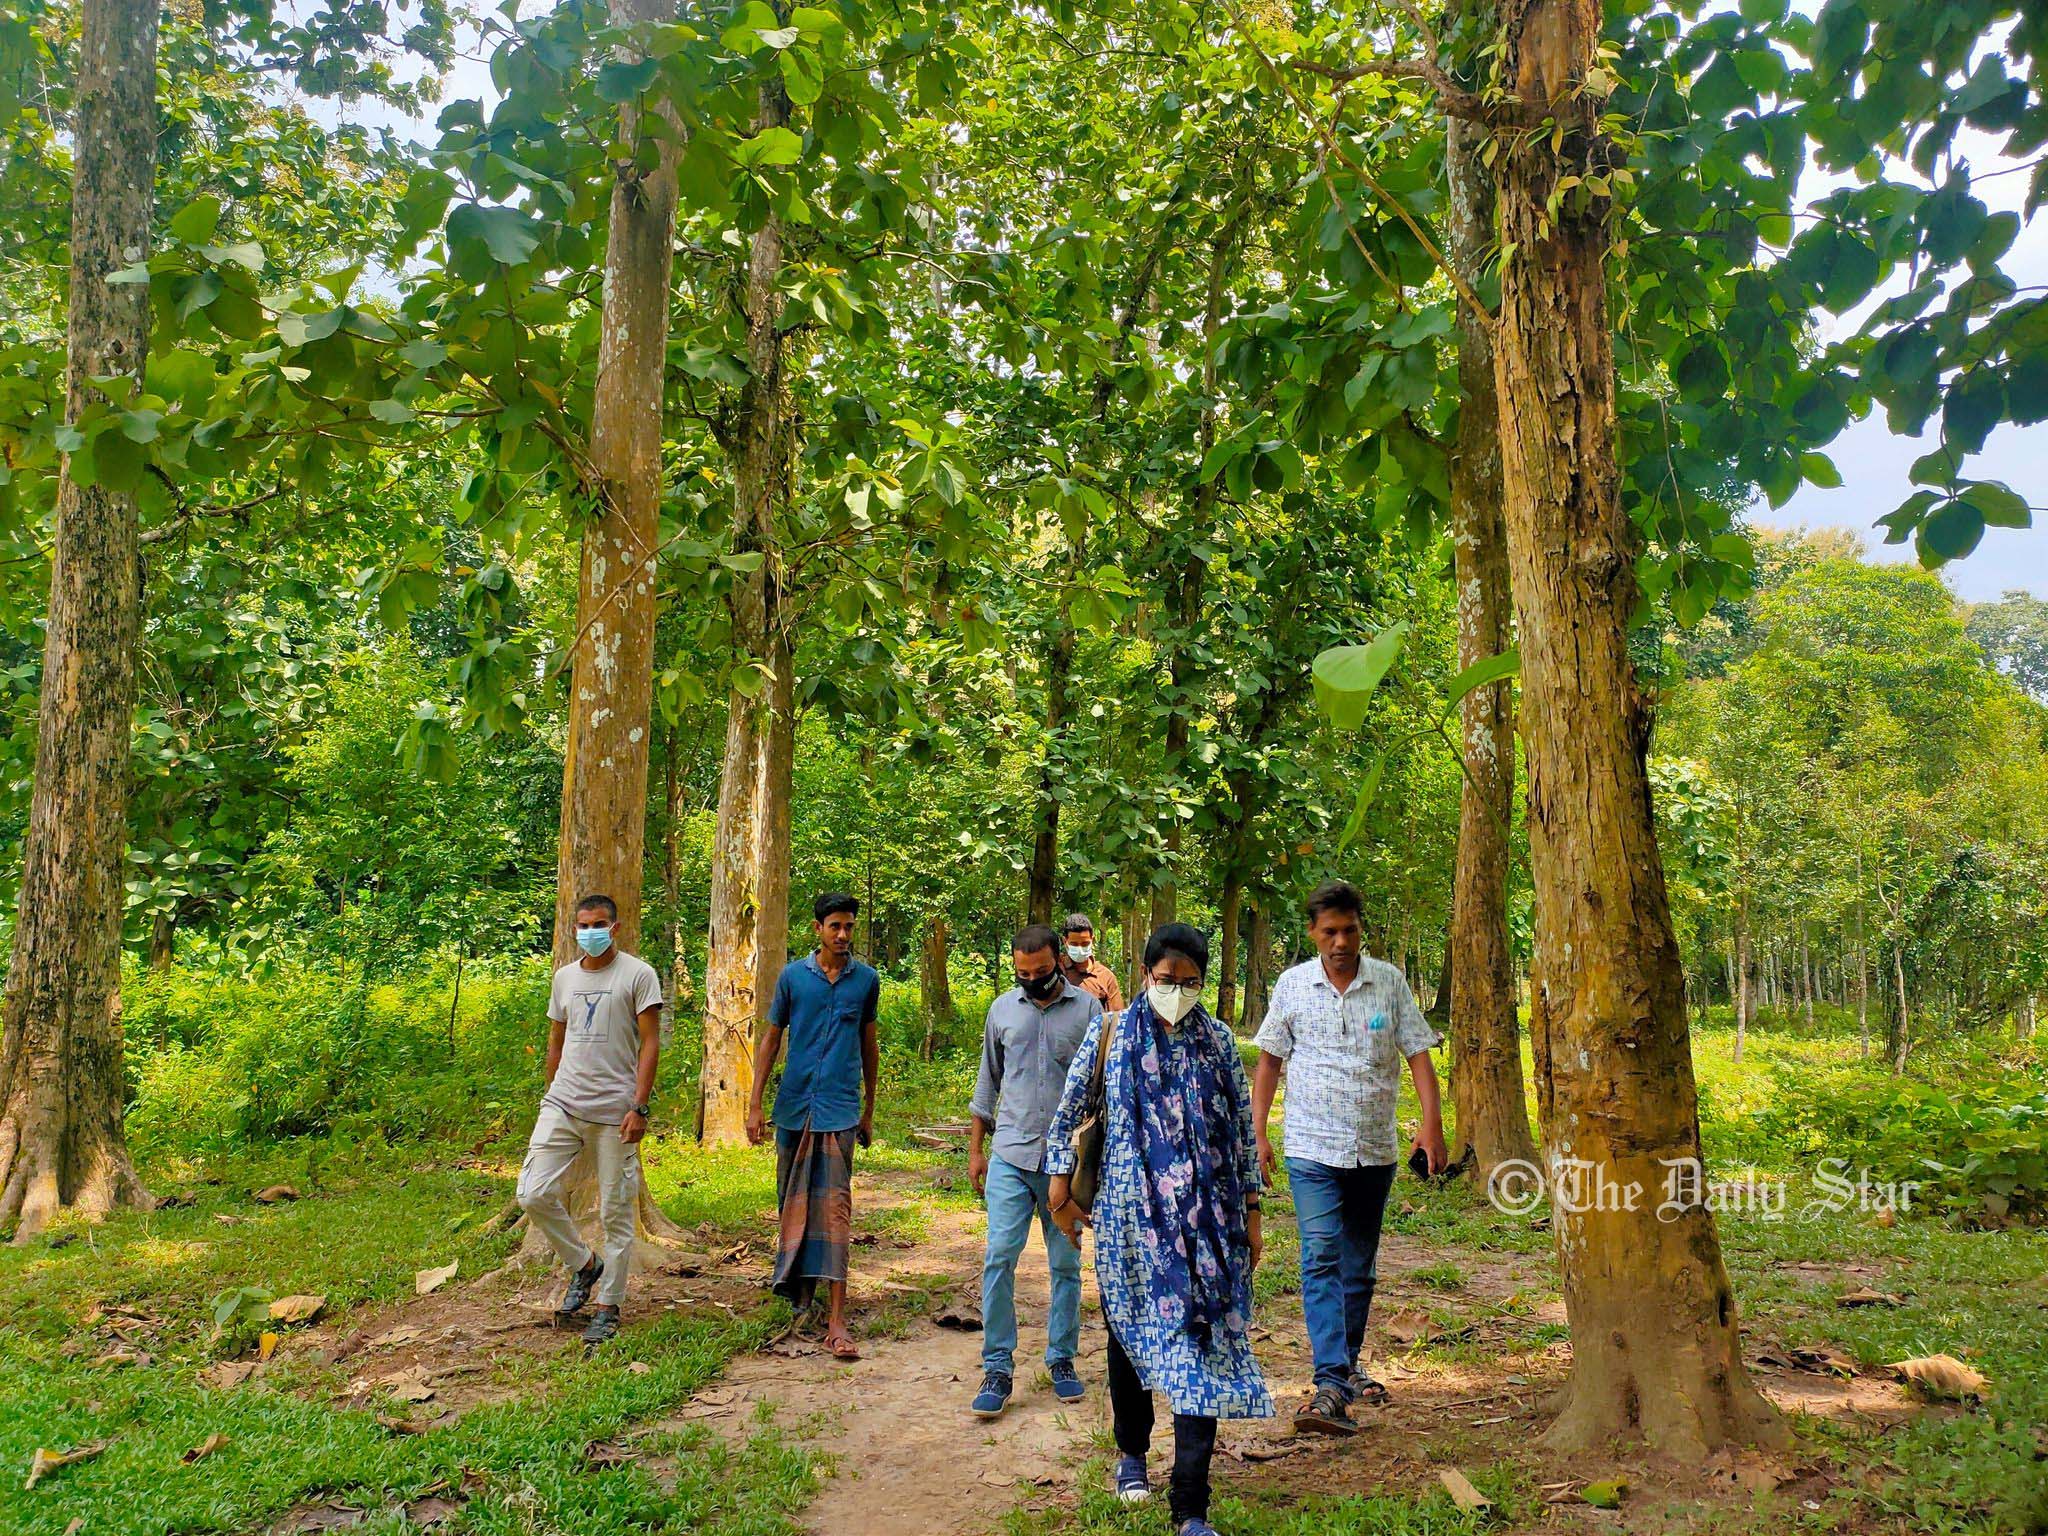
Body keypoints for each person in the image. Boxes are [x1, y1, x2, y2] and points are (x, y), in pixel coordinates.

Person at [1048, 923, 1270, 1536]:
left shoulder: (1219, 1041)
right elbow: (1069, 1111)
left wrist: (1251, 1213)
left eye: (1190, 982)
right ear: (1145, 976)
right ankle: (1132, 1456)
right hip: (1128, 1225)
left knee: (1203, 1348)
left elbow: (1241, 1132)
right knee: (1130, 1339)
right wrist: (1060, 1186)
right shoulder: (1111, 1032)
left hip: (1207, 1225)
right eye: (1166, 981)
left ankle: (1191, 1506)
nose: (1177, 991)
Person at [1251, 879, 1448, 1437]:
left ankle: (1348, 1367)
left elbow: (1417, 1056)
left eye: (1350, 930)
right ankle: (1330, 1381)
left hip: (1375, 1147)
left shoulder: (1388, 982)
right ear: (1313, 933)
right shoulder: (1293, 985)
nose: (1340, 941)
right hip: (1312, 1147)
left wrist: (1430, 1128)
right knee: (1320, 1257)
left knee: (1358, 1266)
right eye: (1330, 931)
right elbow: (1269, 1062)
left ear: (1363, 930)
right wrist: (1258, 1133)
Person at [516, 893, 664, 1347]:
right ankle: (584, 1264)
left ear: (615, 927)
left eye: (599, 924)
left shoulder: (638, 975)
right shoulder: (564, 978)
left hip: (615, 1114)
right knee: (532, 1192)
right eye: (583, 926)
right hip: (562, 1104)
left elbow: (650, 1043)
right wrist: (550, 1090)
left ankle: (608, 1305)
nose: (590, 932)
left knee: (617, 1211)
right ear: (574, 929)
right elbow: (555, 1040)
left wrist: (639, 1107)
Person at [966, 923, 1101, 1419]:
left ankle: (1062, 1359)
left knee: (1065, 1264)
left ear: (1058, 963)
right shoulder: (1002, 1011)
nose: (1032, 980)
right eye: (1023, 974)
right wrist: (976, 1151)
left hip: (1066, 1164)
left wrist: (1094, 1163)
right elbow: (988, 1083)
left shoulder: (1089, 1011)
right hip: (1011, 1154)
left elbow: (1100, 1090)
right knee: (999, 1256)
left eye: (1041, 972)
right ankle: (997, 1365)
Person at [748, 891, 881, 1361]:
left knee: (835, 1211)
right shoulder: (792, 978)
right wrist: (754, 1104)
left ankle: (838, 1318)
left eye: (849, 927)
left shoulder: (866, 981)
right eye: (835, 927)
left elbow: (868, 1045)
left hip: (840, 1110)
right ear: (818, 929)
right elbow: (770, 1039)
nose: (843, 935)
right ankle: (800, 1293)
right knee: (792, 1202)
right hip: (793, 1108)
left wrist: (869, 1109)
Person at [1058, 912, 1125, 1012]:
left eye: (1085, 943)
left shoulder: (1106, 977)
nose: (1080, 949)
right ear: (1065, 941)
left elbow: (1117, 1018)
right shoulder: (1056, 969)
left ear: (1092, 940)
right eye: (1074, 944)